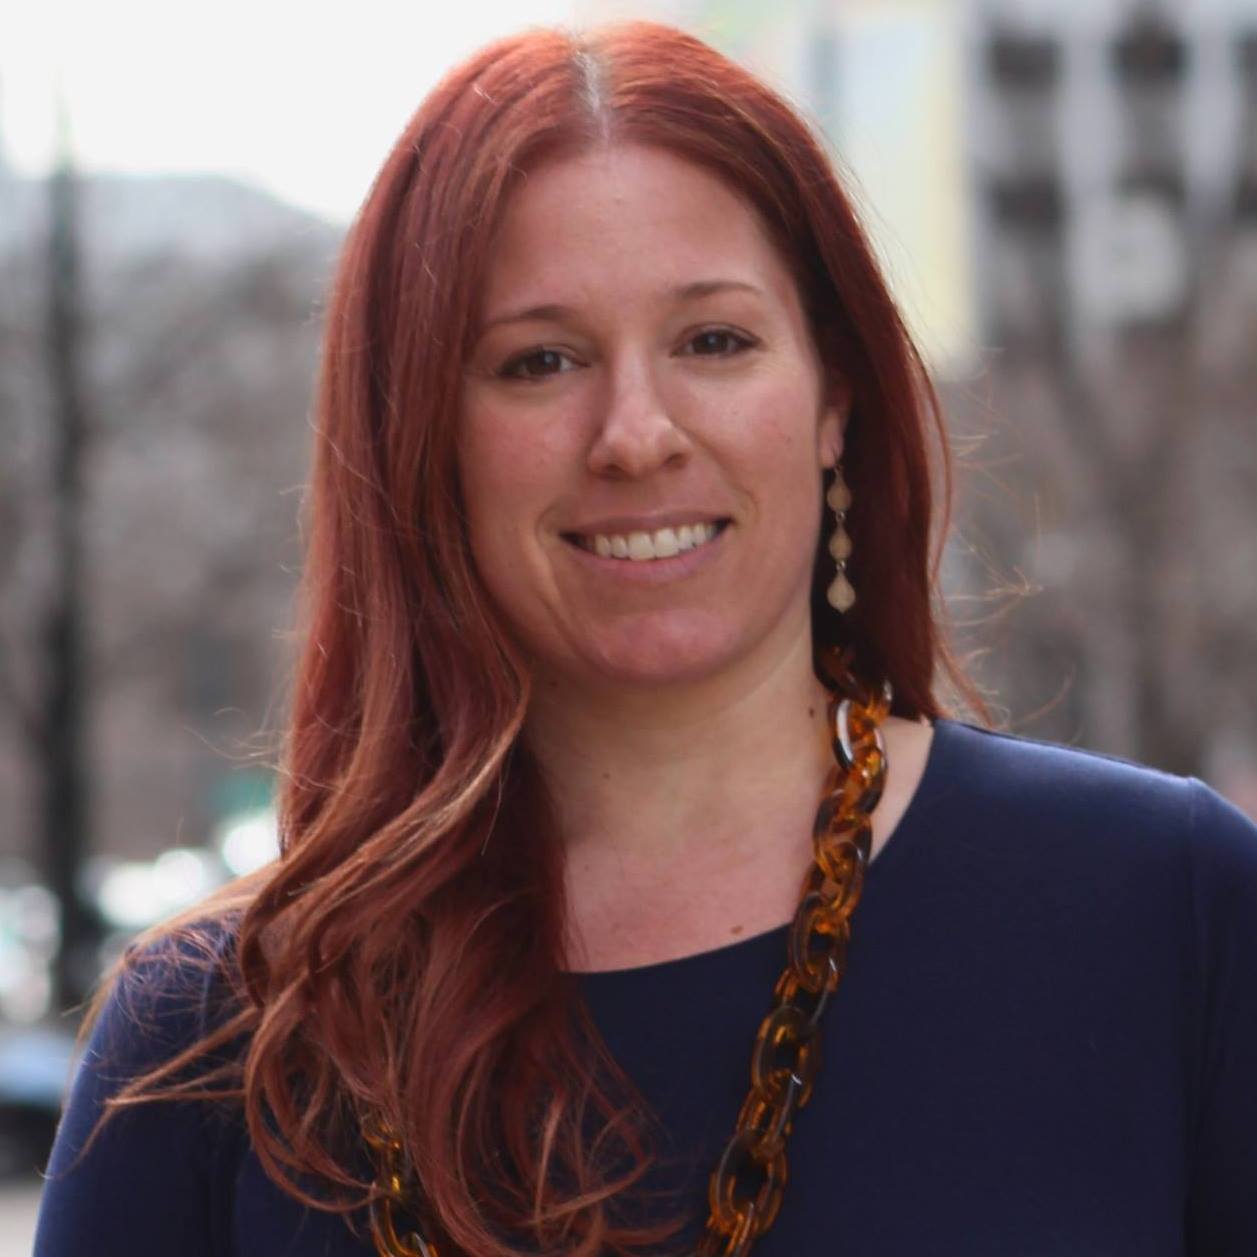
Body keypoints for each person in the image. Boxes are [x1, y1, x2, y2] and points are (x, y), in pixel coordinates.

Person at [34, 20, 1257, 1257]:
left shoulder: (1171, 914)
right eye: (539, 361)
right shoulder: (211, 1043)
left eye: (714, 342)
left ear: (833, 396)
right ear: (421, 443)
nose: (637, 433)